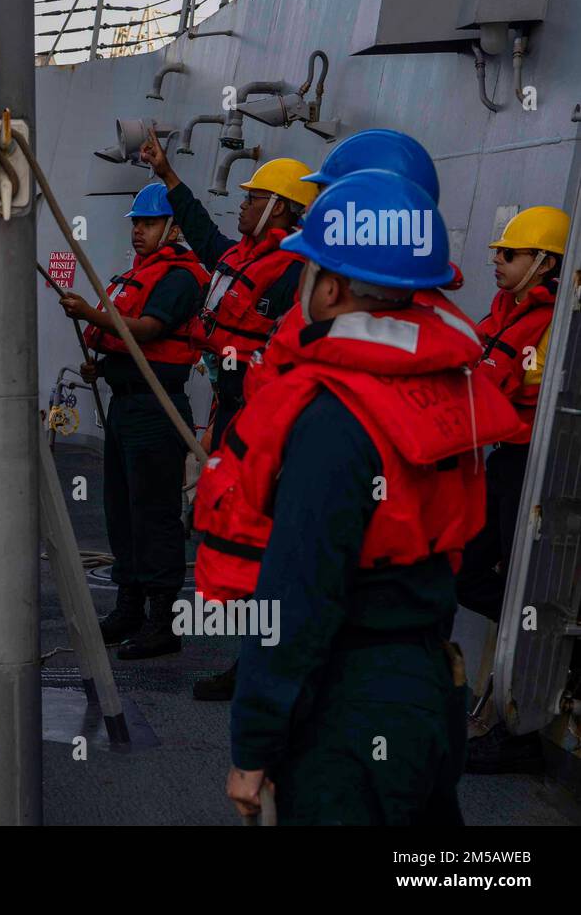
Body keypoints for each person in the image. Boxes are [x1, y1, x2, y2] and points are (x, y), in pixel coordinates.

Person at [222, 170, 521, 825]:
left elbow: (297, 599)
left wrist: (254, 745)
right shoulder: (449, 386)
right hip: (430, 686)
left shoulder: (334, 417)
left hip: (350, 705)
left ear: (329, 288)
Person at [193, 128, 449, 702]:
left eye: (332, 196)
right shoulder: (416, 331)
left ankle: (273, 682)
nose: (318, 209)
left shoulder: (353, 363)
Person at [59, 183, 207, 659]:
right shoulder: (136, 275)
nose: (138, 231)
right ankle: (130, 607)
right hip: (127, 407)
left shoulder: (180, 278)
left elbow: (148, 330)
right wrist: (102, 369)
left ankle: (162, 621)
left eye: (148, 223)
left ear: (172, 228)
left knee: (155, 514)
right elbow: (129, 344)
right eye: (136, 223)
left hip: (156, 410)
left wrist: (90, 314)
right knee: (122, 510)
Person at [457, 205, 569, 774]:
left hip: (534, 464)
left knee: (524, 589)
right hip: (503, 462)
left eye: (509, 254)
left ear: (543, 263)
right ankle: (540, 637)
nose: (496, 262)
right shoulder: (504, 312)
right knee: (468, 574)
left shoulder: (557, 324)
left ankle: (520, 732)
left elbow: (518, 387)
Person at [138, 130, 316, 446]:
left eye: (252, 198)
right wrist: (166, 174)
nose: (242, 205)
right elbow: (201, 231)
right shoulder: (239, 258)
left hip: (259, 416)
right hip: (227, 402)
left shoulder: (297, 275)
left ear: (277, 208)